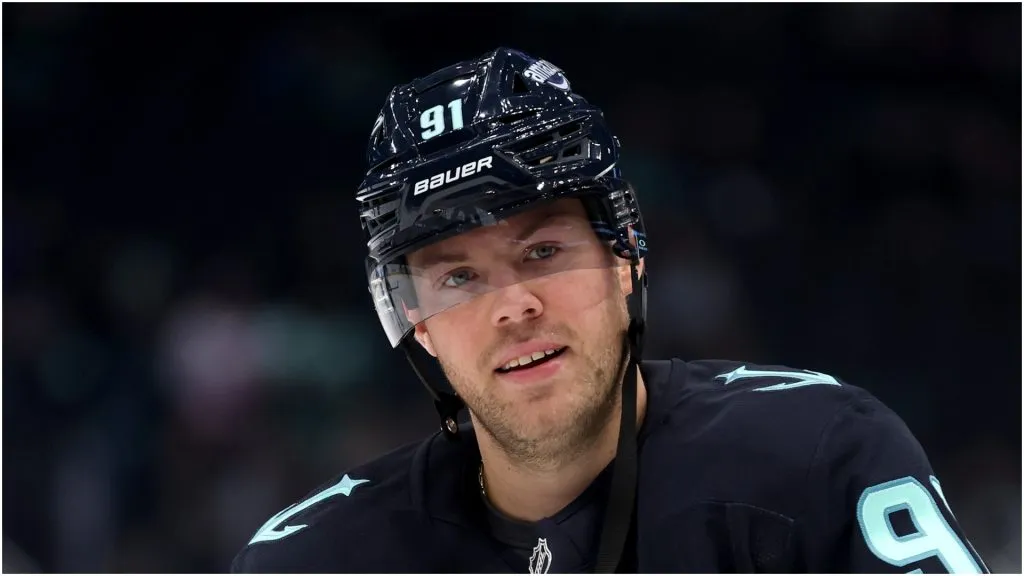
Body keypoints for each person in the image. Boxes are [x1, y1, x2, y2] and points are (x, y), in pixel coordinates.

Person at [231, 47, 988, 574]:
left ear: (627, 254)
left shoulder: (820, 461)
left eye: (542, 254)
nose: (513, 306)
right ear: (412, 320)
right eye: (459, 276)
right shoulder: (310, 560)